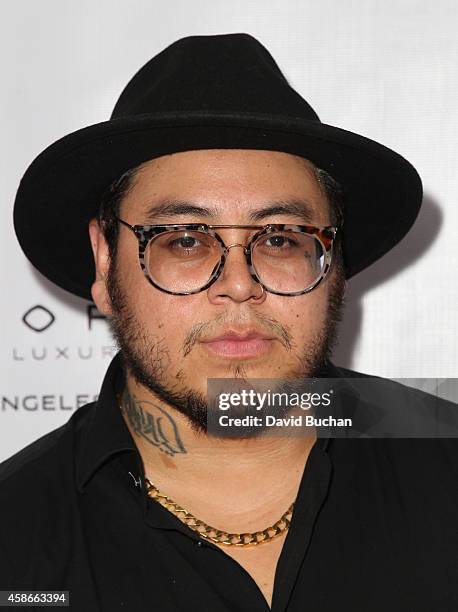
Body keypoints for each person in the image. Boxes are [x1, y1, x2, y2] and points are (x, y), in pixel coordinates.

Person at [1, 33, 457, 612]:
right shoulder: (15, 535)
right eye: (185, 240)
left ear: (333, 263)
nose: (239, 285)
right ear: (104, 261)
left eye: (280, 239)